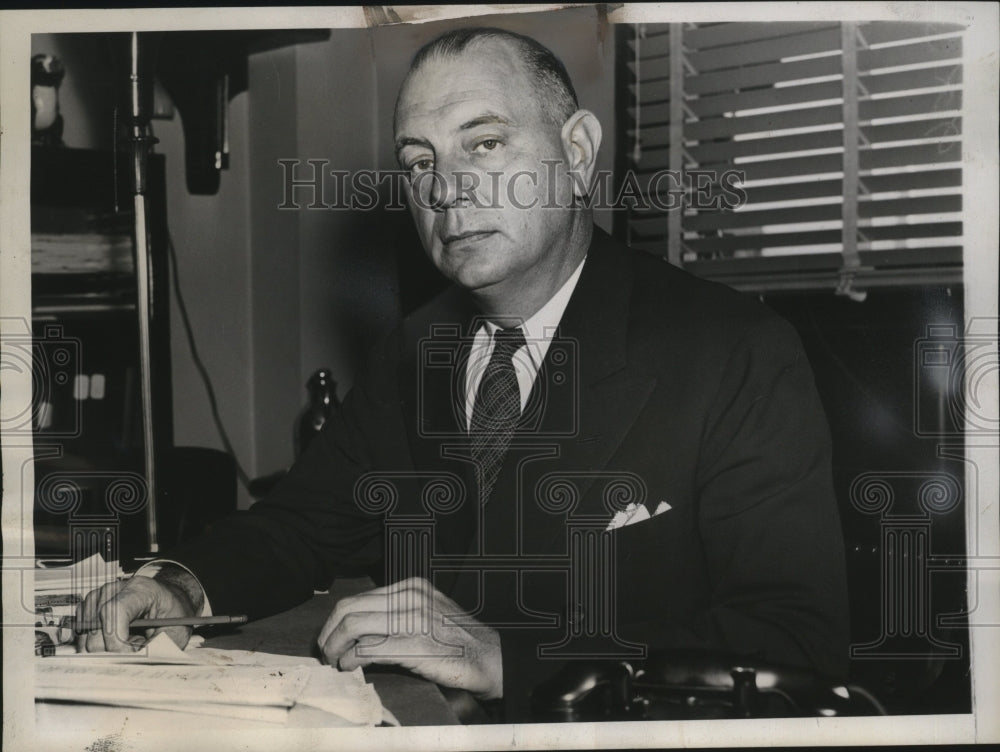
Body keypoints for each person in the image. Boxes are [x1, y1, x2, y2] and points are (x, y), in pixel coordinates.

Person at [78, 27, 850, 722]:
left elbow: (792, 642)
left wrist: (507, 656)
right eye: (420, 162)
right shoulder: (417, 348)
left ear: (577, 152)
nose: (445, 189)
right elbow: (300, 524)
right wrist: (179, 586)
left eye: (483, 144)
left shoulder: (733, 350)